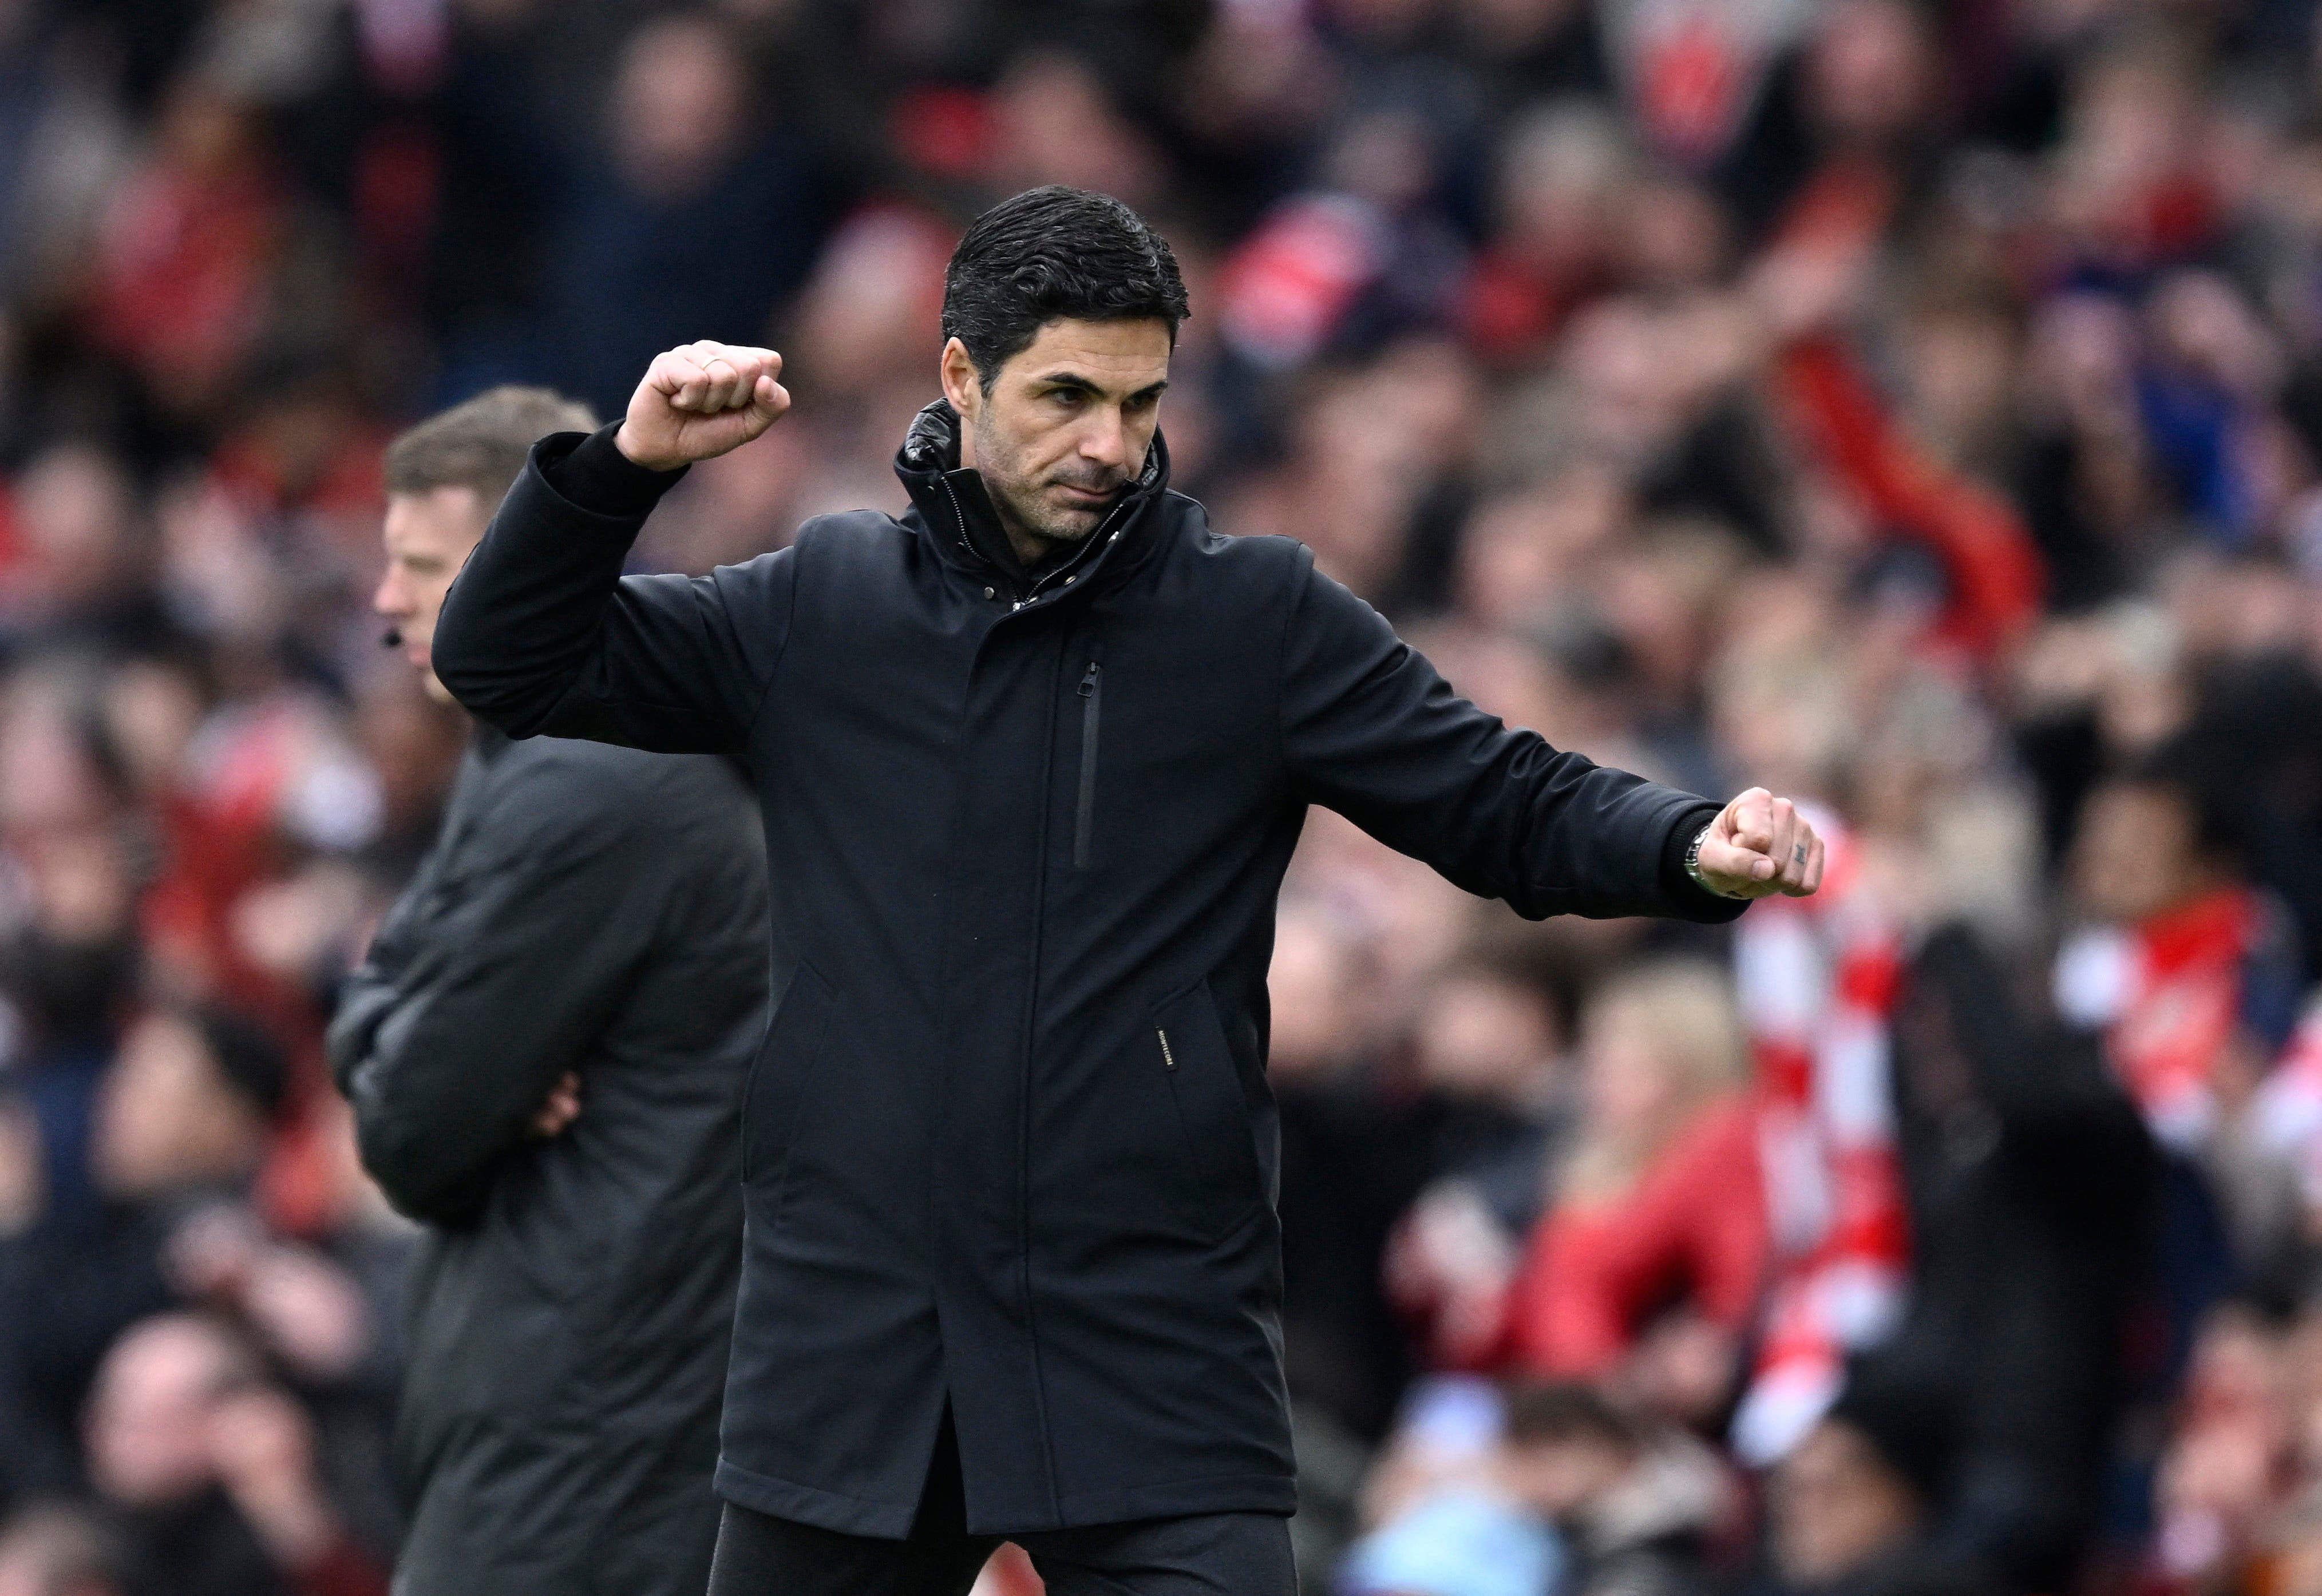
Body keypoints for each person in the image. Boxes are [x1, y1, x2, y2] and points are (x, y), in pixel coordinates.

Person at [431, 186, 1826, 1596]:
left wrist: (1684, 840)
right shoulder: (824, 603)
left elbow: (1502, 799)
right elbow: (507, 660)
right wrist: (621, 467)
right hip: (851, 1346)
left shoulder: (1255, 617)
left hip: (1150, 1341)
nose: (1108, 442)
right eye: (1064, 396)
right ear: (960, 376)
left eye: (1139, 399)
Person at [326, 387, 770, 1596]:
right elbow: (381, 1010)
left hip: (601, 1438)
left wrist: (397, 1041)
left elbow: (411, 1130)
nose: (384, 601)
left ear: (522, 552)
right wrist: (394, 1028)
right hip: (589, 1414)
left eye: (419, 565)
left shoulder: (595, 779)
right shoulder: (532, 758)